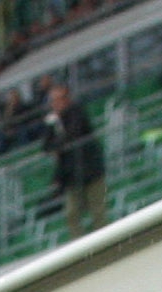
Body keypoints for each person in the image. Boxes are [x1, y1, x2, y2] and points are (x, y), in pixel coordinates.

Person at [44, 80, 107, 240]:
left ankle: (103, 241)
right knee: (71, 213)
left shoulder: (77, 112)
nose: (55, 104)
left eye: (58, 99)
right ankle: (78, 243)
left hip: (90, 169)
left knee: (97, 210)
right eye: (53, 100)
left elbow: (74, 134)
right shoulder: (52, 122)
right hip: (71, 175)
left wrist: (59, 144)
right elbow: (46, 146)